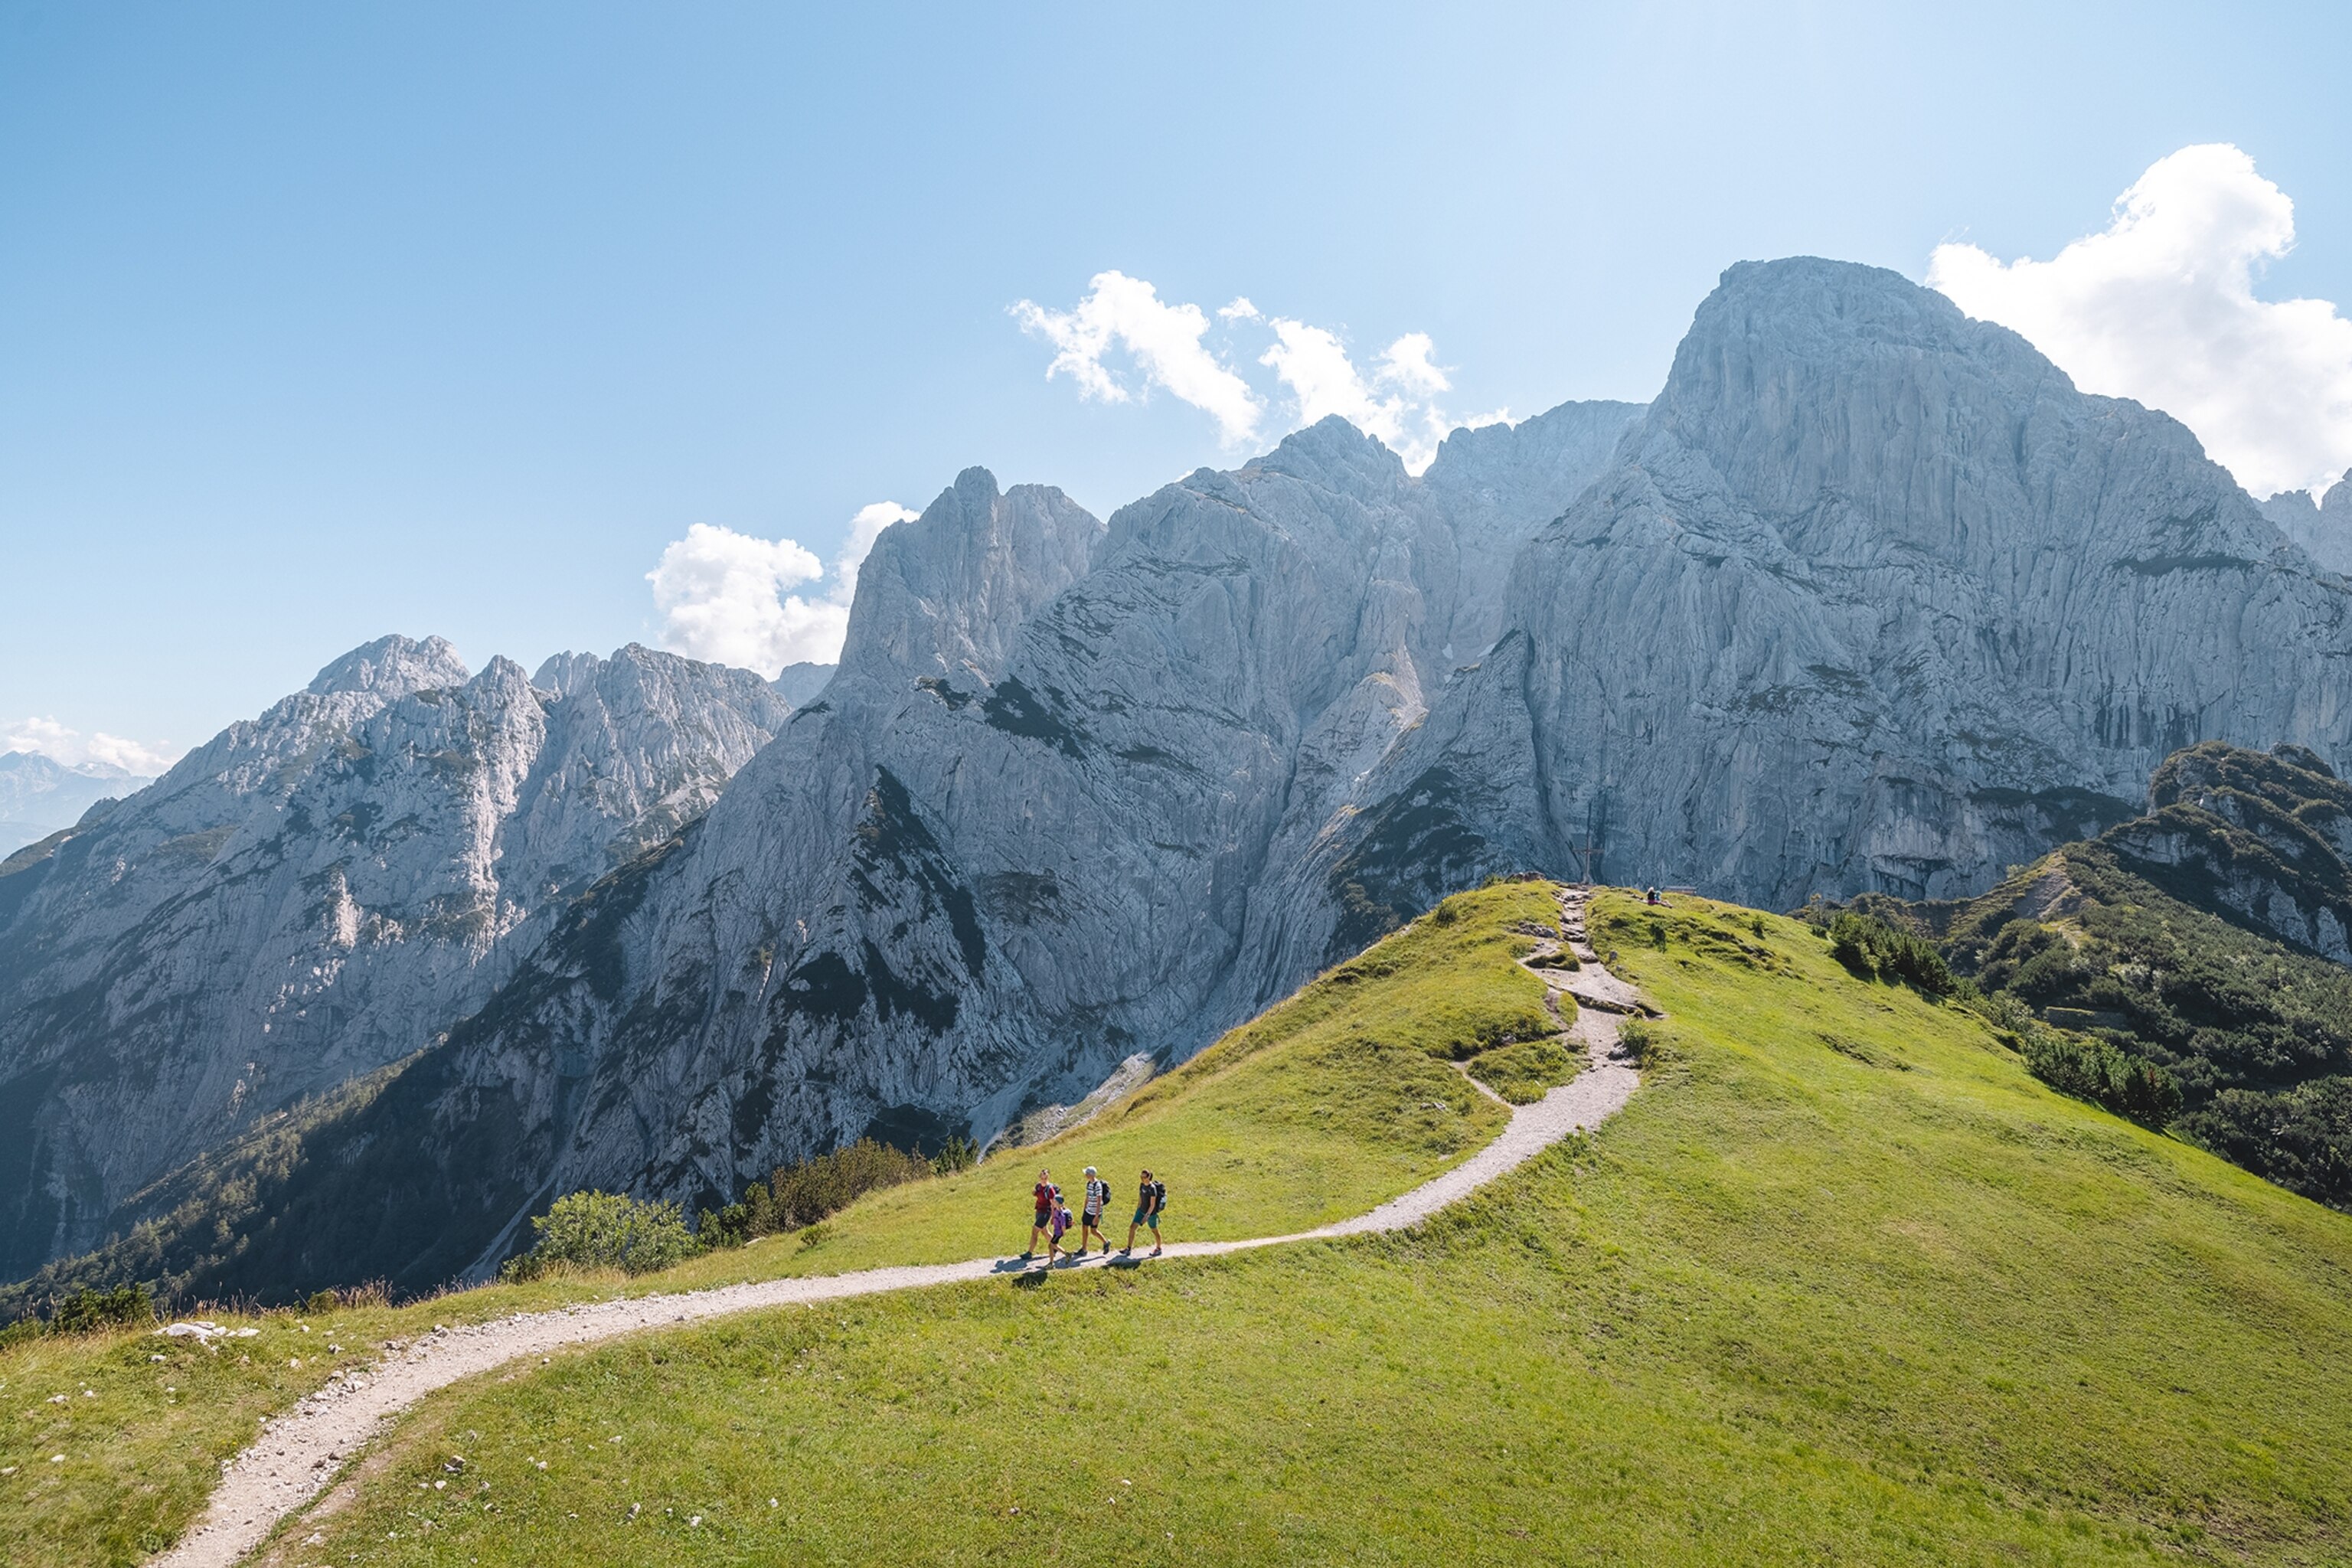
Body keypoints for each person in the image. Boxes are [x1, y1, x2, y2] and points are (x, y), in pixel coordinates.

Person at [1123, 1167, 1165, 1256]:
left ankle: (1159, 1248)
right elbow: (1140, 1198)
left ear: (1149, 1177)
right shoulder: (1142, 1185)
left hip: (1151, 1214)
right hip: (1141, 1211)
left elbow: (1152, 1204)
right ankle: (1129, 1248)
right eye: (1141, 1177)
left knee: (1154, 1231)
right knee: (1132, 1228)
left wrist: (1147, 1216)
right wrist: (1137, 1208)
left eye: (1144, 1177)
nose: (1142, 1179)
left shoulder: (1152, 1188)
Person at [1078, 1166, 1111, 1256]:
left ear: (1090, 1175)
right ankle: (1086, 1248)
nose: (1085, 1175)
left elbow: (1099, 1200)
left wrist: (1097, 1216)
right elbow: (1087, 1197)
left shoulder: (1098, 1186)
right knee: (1086, 1228)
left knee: (1093, 1230)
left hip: (1094, 1212)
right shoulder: (1089, 1184)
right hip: (1088, 1210)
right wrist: (1084, 1209)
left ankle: (1085, 1249)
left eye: (1086, 1173)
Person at [1026, 1168, 1058, 1258]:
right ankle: (1056, 1248)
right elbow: (1037, 1194)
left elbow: (1053, 1204)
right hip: (1039, 1211)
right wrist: (1034, 1193)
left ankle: (1029, 1253)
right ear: (1040, 1177)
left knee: (1034, 1232)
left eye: (1046, 1178)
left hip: (1045, 1213)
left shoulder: (1050, 1189)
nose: (1044, 1180)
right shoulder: (1038, 1186)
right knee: (1045, 1232)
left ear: (1048, 1178)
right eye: (1042, 1178)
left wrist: (1053, 1217)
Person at [1047, 1193, 1074, 1263]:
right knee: (1052, 1246)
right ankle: (1052, 1262)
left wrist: (1063, 1232)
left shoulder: (1061, 1214)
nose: (1053, 1202)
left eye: (1055, 1202)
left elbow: (1063, 1225)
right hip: (1056, 1231)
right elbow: (1053, 1220)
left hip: (1058, 1233)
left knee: (1051, 1245)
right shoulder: (1056, 1211)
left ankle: (1065, 1255)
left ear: (1059, 1203)